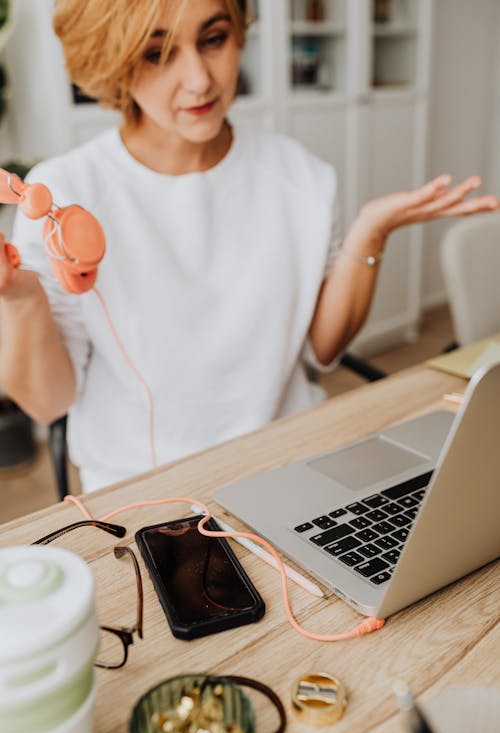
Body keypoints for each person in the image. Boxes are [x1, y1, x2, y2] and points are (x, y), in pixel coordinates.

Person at [0, 0, 498, 493]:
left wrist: (370, 234)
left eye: (213, 39)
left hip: (293, 457)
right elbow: (50, 403)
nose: (199, 79)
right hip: (146, 488)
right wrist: (21, 297)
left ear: (238, 34)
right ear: (112, 58)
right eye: (158, 54)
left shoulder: (301, 174)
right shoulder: (62, 195)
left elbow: (324, 351)